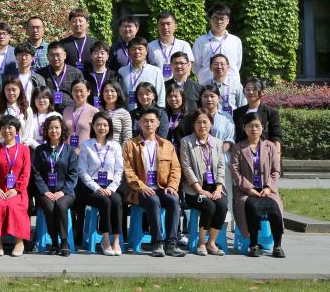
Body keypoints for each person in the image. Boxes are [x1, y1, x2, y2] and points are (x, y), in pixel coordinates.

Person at [122, 107, 185, 257]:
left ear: (158, 123)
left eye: (152, 121)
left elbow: (176, 169)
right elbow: (127, 170)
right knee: (153, 199)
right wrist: (142, 187)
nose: (148, 124)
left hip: (162, 188)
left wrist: (172, 186)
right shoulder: (130, 145)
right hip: (140, 190)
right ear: (139, 123)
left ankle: (171, 243)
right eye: (145, 121)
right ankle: (157, 242)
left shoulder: (167, 145)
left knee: (173, 200)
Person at [231, 113, 285, 258]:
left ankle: (277, 246)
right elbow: (235, 172)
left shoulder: (270, 146)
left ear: (263, 128)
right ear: (244, 128)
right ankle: (253, 245)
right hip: (246, 191)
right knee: (253, 209)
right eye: (250, 126)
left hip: (267, 190)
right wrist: (249, 188)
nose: (254, 129)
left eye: (257, 126)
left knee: (275, 210)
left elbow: (276, 170)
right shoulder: (238, 147)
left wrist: (268, 187)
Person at [178, 110, 228, 256]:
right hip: (194, 190)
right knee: (209, 206)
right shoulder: (186, 142)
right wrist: (199, 190)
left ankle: (211, 242)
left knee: (222, 205)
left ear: (211, 124)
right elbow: (186, 168)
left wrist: (218, 188)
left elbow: (221, 167)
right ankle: (201, 243)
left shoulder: (217, 143)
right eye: (198, 122)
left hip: (213, 187)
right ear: (193, 125)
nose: (202, 125)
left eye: (205, 122)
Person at [76, 111, 124, 256]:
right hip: (91, 188)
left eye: (105, 125)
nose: (101, 128)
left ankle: (116, 240)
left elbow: (119, 169)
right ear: (93, 127)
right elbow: (82, 170)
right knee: (105, 201)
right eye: (98, 125)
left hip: (110, 185)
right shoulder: (86, 145)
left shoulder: (115, 145)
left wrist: (112, 187)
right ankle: (105, 240)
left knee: (117, 201)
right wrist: (96, 188)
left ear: (109, 127)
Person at [31, 115, 77, 256]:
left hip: (65, 192)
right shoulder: (40, 150)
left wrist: (63, 191)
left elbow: (73, 174)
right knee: (50, 207)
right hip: (45, 193)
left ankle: (64, 242)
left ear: (62, 129)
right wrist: (45, 191)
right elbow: (36, 174)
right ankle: (54, 243)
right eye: (50, 128)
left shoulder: (69, 150)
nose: (54, 131)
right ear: (46, 130)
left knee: (61, 205)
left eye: (57, 127)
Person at [0, 115, 32, 257]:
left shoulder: (24, 149)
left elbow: (26, 172)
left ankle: (19, 241)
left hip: (18, 192)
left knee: (14, 205)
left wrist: (16, 189)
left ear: (16, 130)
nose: (7, 130)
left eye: (10, 127)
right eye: (3, 127)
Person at [192, 4, 243, 86]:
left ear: (228, 21)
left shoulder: (235, 41)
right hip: (207, 86)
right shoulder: (200, 41)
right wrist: (204, 77)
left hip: (231, 85)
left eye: (222, 18)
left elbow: (237, 64)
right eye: (215, 18)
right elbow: (196, 65)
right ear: (210, 20)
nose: (219, 22)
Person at [233, 77, 283, 150]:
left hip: (265, 153)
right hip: (242, 153)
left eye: (255, 89)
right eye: (247, 89)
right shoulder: (237, 113)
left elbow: (276, 136)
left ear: (262, 92)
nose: (251, 92)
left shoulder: (271, 112)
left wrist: (277, 153)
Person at [119, 37, 166, 110]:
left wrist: (160, 112)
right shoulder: (122, 71)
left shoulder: (156, 71)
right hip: (127, 113)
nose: (137, 52)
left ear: (147, 51)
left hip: (149, 113)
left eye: (140, 49)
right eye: (133, 49)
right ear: (128, 51)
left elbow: (160, 96)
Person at [37, 42, 83, 112]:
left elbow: (82, 94)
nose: (55, 58)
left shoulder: (76, 73)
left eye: (58, 55)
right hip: (48, 112)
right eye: (51, 55)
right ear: (47, 56)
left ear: (65, 55)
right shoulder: (40, 74)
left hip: (71, 112)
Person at [147, 12, 194, 79]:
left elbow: (188, 68)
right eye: (162, 24)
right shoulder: (150, 46)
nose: (165, 27)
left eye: (168, 24)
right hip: (156, 83)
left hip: (177, 84)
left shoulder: (184, 45)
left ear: (175, 26)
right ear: (157, 26)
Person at [0, 76, 37, 148]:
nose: (11, 93)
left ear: (20, 90)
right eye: (8, 90)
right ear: (4, 91)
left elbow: (29, 134)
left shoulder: (27, 110)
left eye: (14, 90)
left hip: (21, 149)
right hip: (3, 149)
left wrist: (21, 147)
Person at [62, 79, 98, 150]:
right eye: (75, 91)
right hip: (68, 152)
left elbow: (97, 135)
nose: (78, 94)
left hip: (86, 152)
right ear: (71, 92)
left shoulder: (94, 111)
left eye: (81, 91)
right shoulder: (66, 111)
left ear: (88, 92)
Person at [85, 41, 119, 108]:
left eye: (102, 53)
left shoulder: (114, 76)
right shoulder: (84, 76)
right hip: (89, 111)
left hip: (110, 111)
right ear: (91, 56)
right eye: (96, 53)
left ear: (107, 56)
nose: (99, 56)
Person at [98, 82, 133, 148]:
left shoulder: (124, 113)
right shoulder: (97, 111)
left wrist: (121, 152)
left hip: (117, 151)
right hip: (99, 151)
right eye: (106, 91)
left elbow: (127, 137)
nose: (109, 94)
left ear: (118, 93)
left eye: (112, 91)